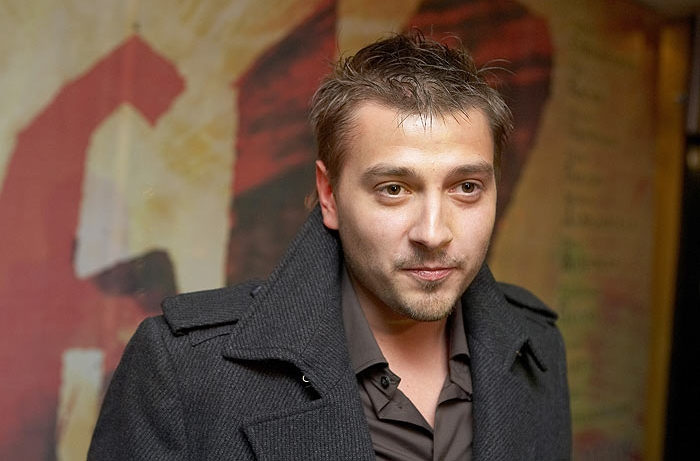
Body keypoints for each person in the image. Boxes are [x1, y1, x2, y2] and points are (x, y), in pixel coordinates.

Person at [88, 32, 571, 460]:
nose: (433, 232)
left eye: (466, 187)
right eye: (394, 189)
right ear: (329, 195)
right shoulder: (185, 368)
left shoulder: (537, 348)